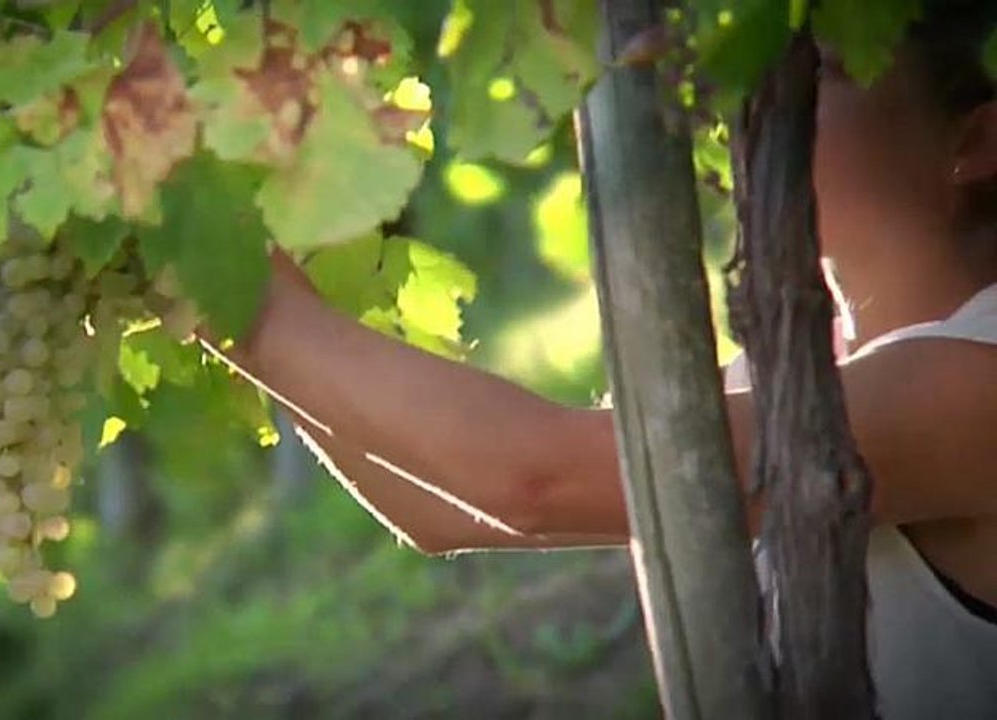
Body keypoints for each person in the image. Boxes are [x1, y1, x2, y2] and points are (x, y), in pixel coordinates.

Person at [201, 2, 997, 717]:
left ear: (976, 141)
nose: (749, 110)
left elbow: (533, 479)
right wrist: (225, 304)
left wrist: (240, 291)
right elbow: (435, 511)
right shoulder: (801, 379)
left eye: (808, 74)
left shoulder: (976, 382)